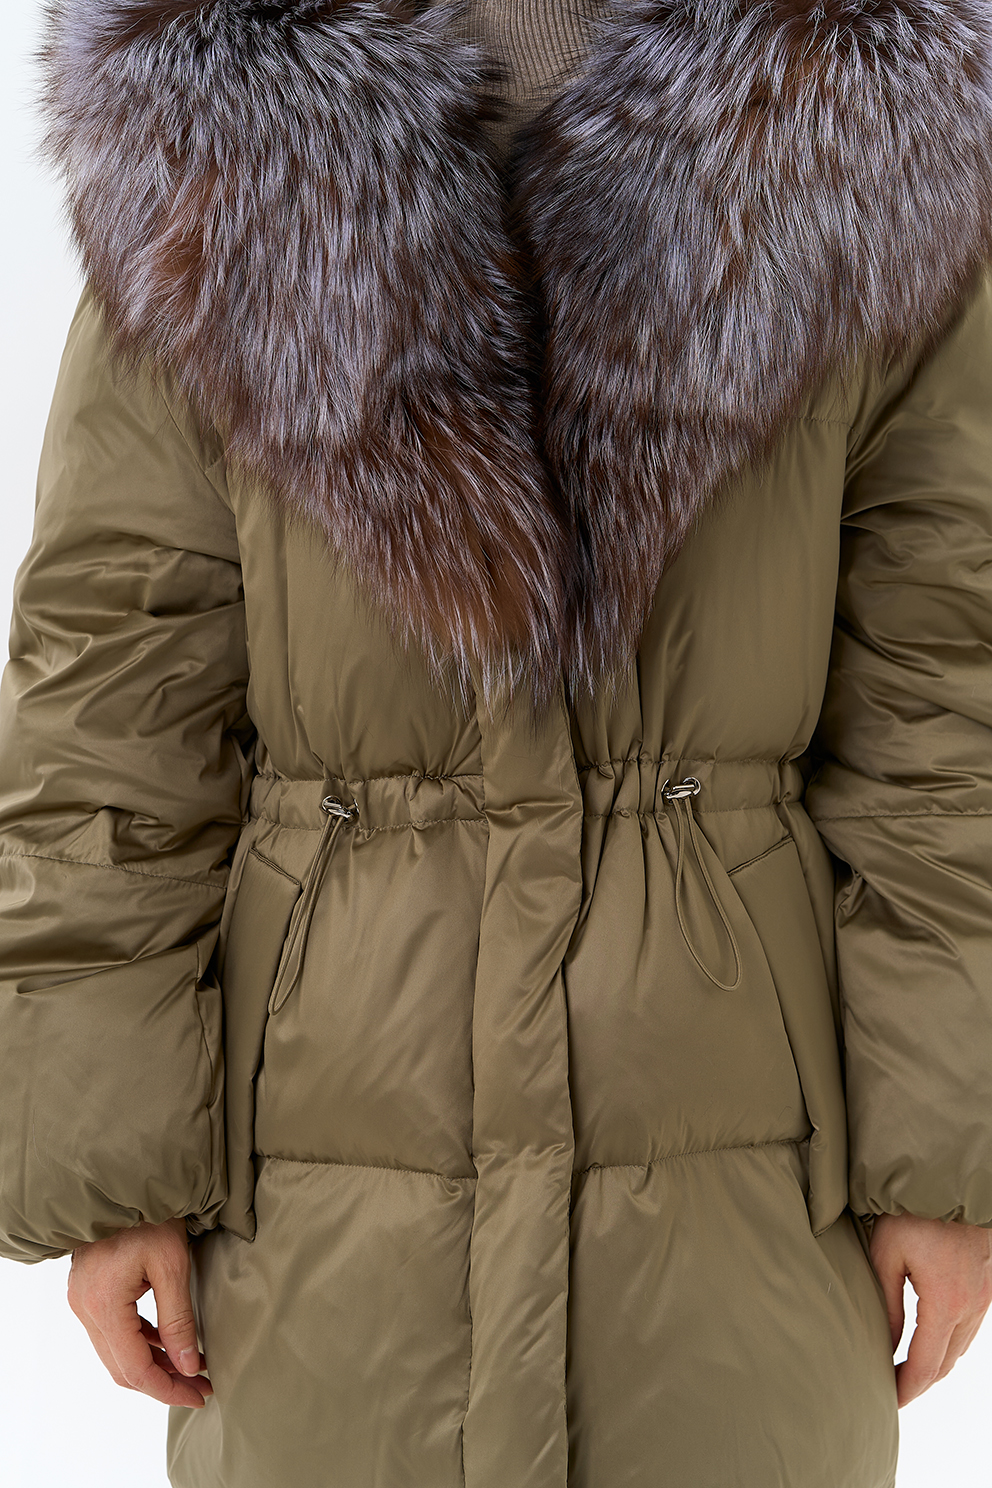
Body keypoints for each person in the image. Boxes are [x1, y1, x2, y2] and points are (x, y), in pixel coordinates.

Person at [1, 0, 991, 1483]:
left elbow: (946, 695)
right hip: (324, 1204)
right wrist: (112, 1156)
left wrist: (951, 1150)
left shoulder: (862, 130)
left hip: (738, 1213)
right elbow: (114, 695)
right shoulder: (207, 138)